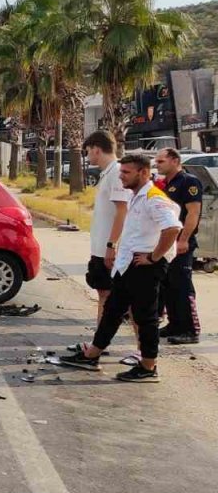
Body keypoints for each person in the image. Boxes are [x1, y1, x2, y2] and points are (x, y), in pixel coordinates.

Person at [60, 151, 182, 382]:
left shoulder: (154, 198)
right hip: (128, 266)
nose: (121, 177)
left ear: (143, 173)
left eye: (126, 172)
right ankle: (92, 354)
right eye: (121, 172)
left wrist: (154, 257)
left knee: (145, 317)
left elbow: (172, 229)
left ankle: (148, 367)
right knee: (113, 311)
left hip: (144, 267)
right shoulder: (137, 195)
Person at [80, 132, 132, 333]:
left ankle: (101, 340)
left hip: (109, 247)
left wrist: (112, 244)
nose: (88, 156)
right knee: (104, 292)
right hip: (101, 246)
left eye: (88, 152)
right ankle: (99, 339)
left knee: (111, 295)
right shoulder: (108, 173)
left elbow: (123, 210)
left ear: (96, 149)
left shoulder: (117, 173)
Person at [154, 148, 203, 344]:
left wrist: (183, 239)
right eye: (157, 162)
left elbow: (193, 213)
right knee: (168, 285)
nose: (157, 165)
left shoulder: (188, 182)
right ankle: (175, 324)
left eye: (161, 161)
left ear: (175, 160)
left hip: (181, 242)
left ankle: (190, 330)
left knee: (182, 285)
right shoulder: (165, 184)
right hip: (166, 243)